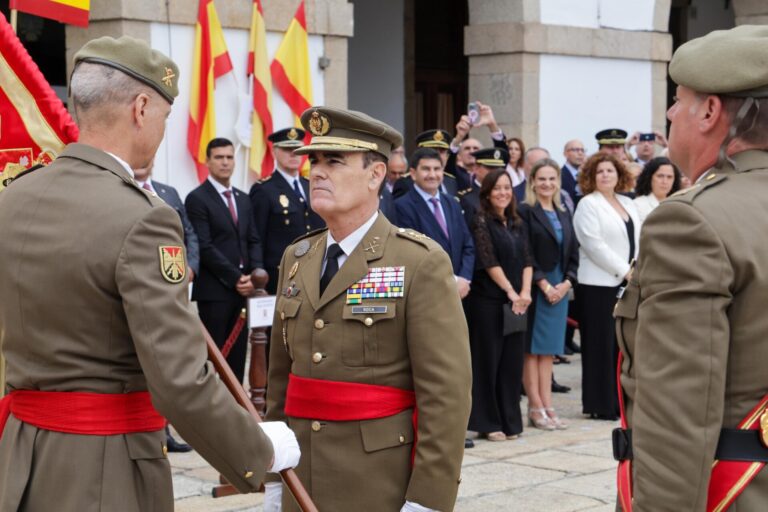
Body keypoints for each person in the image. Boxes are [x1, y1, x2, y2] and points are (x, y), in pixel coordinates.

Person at [0, 35, 298, 511]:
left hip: (20, 457)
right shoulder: (145, 217)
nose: (161, 131)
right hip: (103, 470)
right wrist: (259, 449)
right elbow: (181, 379)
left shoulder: (13, 197)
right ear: (141, 108)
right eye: (164, 116)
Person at [263, 106, 472, 512]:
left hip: (376, 480)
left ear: (376, 174)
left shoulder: (418, 260)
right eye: (315, 161)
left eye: (334, 161)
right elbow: (279, 381)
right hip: (300, 475)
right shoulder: (298, 256)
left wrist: (428, 498)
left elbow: (446, 395)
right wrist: (275, 476)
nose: (317, 172)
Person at [614, 25, 768, 511]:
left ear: (709, 112)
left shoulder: (692, 221)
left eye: (679, 100)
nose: (670, 113)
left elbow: (677, 411)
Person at [186, 138, 263, 384]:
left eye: (229, 157)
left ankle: (239, 407)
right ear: (207, 161)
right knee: (217, 357)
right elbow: (204, 246)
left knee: (239, 356)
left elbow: (253, 239)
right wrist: (235, 278)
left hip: (245, 290)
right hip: (216, 291)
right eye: (219, 157)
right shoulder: (197, 198)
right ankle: (216, 411)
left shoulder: (243, 198)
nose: (225, 162)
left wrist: (255, 275)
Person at [134, 159, 198, 453]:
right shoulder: (124, 192)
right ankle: (153, 427)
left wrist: (191, 269)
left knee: (172, 358)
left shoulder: (168, 192)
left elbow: (190, 234)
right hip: (144, 292)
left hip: (177, 287)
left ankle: (168, 428)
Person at [466, 169, 532, 441]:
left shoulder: (516, 221)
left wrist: (525, 293)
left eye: (507, 187)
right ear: (487, 192)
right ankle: (488, 422)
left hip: (518, 303)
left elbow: (529, 258)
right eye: (497, 188)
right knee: (488, 362)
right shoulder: (480, 220)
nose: (503, 192)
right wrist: (511, 292)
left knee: (511, 364)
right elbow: (488, 260)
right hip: (489, 302)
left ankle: (510, 422)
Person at [572, 152, 639, 420]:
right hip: (598, 285)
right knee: (599, 345)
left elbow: (638, 239)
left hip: (626, 282)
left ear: (619, 174)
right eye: (599, 172)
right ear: (591, 176)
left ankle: (618, 401)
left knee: (619, 345)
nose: (605, 175)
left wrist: (635, 269)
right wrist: (626, 272)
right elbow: (593, 244)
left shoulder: (627, 202)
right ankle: (600, 404)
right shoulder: (588, 204)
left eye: (610, 171)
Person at [518, 159, 579, 431]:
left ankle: (548, 403)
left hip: (560, 287)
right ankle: (535, 406)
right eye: (541, 179)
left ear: (558, 181)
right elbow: (526, 251)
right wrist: (543, 285)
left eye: (552, 179)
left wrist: (567, 283)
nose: (547, 184)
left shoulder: (563, 211)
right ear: (533, 181)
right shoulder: (526, 211)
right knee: (533, 351)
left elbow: (573, 253)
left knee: (549, 352)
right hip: (537, 287)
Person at [249, 128, 325, 295]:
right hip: (280, 273)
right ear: (275, 152)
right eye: (287, 149)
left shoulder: (312, 184)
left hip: (315, 268)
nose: (294, 154)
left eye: (298, 150)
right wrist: (258, 273)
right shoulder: (263, 189)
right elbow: (256, 236)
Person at [395, 147, 475, 299]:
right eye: (426, 169)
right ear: (413, 173)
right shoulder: (402, 206)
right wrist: (452, 281)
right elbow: (412, 252)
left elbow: (468, 245)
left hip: (460, 293)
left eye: (437, 169)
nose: (432, 175)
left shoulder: (452, 202)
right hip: (427, 293)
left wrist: (464, 279)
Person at [392, 130, 458, 198]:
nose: (437, 155)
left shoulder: (451, 181)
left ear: (447, 156)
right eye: (432, 150)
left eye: (442, 151)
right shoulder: (405, 183)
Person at [459, 147, 509, 227]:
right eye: (490, 168)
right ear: (476, 168)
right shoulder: (468, 199)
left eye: (498, 169)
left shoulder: (506, 196)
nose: (495, 173)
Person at [631, 156, 681, 224]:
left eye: (669, 177)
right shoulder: (637, 205)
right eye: (660, 176)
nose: (665, 181)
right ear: (649, 177)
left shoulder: (679, 205)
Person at [561, 139, 586, 206]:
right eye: (576, 150)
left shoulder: (586, 176)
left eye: (582, 150)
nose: (580, 153)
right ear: (565, 153)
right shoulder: (559, 175)